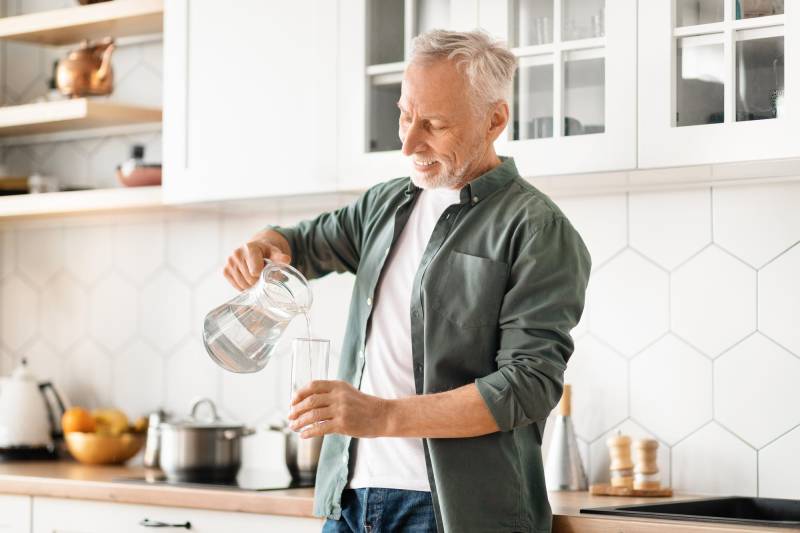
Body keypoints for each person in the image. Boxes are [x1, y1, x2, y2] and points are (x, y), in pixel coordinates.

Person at [224, 29, 590, 533]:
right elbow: (301, 245)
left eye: (435, 124)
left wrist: (380, 417)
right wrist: (265, 244)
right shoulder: (386, 203)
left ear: (495, 120)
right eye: (404, 115)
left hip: (458, 515)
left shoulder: (535, 228)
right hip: (350, 501)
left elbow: (527, 385)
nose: (409, 143)